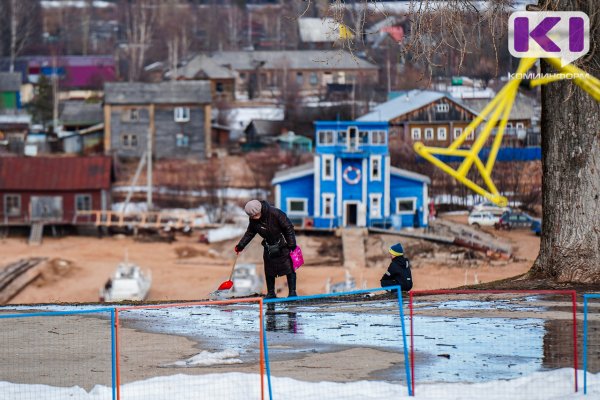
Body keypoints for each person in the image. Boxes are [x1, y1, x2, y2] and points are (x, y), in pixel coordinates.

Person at [235, 199, 298, 299]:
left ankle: (292, 292)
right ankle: (271, 293)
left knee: (289, 268)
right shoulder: (253, 219)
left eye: (255, 215)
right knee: (269, 271)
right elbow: (250, 233)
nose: (254, 218)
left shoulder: (275, 213)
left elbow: (288, 227)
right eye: (252, 216)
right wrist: (241, 245)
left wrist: (292, 244)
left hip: (283, 245)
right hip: (268, 246)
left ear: (260, 210)